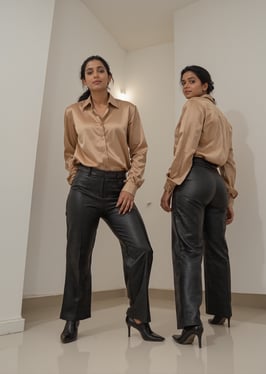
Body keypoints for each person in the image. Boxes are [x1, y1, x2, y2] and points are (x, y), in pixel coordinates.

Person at [60, 55, 164, 344]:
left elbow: (140, 150)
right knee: (78, 254)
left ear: (109, 76)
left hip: (120, 188)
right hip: (84, 188)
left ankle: (138, 316)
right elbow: (69, 151)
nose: (95, 75)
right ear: (84, 80)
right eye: (89, 72)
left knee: (141, 249)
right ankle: (72, 319)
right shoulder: (72, 112)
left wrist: (130, 187)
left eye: (100, 70)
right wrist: (75, 179)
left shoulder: (128, 110)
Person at [160, 65, 238, 348]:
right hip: (216, 183)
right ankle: (221, 311)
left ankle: (192, 323)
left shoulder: (194, 107)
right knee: (217, 249)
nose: (186, 87)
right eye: (182, 82)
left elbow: (186, 147)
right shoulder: (223, 118)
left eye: (192, 81)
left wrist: (170, 184)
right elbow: (229, 159)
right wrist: (228, 195)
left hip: (193, 178)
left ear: (206, 86)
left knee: (188, 250)